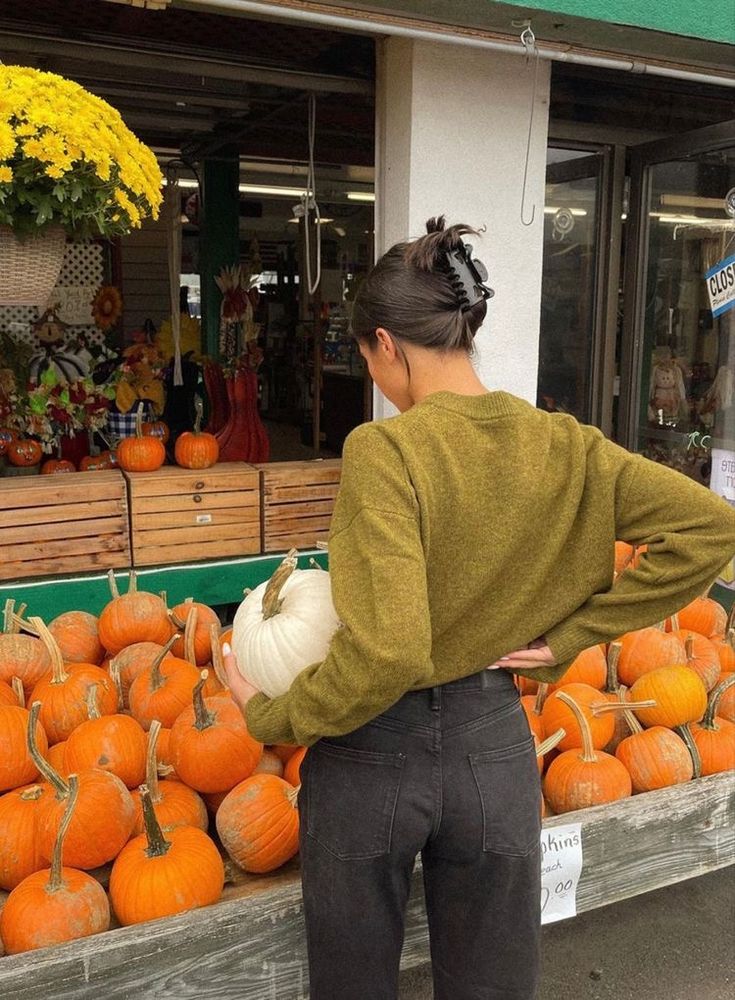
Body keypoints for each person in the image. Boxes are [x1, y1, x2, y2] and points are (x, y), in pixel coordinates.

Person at [223, 217, 735, 1000]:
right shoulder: (568, 446)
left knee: (353, 984)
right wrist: (571, 635)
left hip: (371, 750)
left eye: (367, 357)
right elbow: (711, 528)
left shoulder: (386, 449)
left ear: (386, 345)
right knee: (491, 986)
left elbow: (388, 650)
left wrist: (269, 715)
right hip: (493, 743)